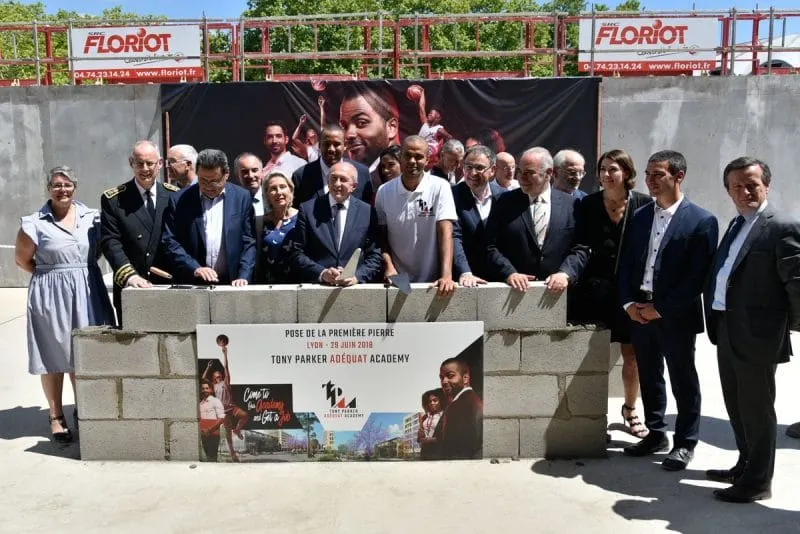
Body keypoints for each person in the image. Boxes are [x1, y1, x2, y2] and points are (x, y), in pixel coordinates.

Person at [703, 157, 800, 503]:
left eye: (751, 185)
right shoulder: (736, 224)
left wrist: (792, 327)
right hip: (727, 327)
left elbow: (797, 282)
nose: (744, 192)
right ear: (728, 191)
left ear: (766, 186)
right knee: (737, 404)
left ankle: (758, 482)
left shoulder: (781, 226)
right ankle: (745, 464)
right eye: (736, 187)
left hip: (758, 334)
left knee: (758, 410)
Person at [618, 150, 718, 471]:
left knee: (682, 378)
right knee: (649, 375)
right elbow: (625, 265)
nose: (650, 180)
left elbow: (696, 279)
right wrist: (629, 304)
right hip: (639, 312)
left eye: (657, 174)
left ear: (678, 176)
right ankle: (655, 432)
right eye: (647, 174)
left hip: (674, 316)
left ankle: (685, 442)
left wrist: (659, 309)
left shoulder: (701, 221)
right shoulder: (640, 216)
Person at [547, 149, 653, 438]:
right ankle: (594, 418)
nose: (606, 175)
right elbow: (579, 245)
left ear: (627, 174)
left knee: (632, 356)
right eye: (603, 169)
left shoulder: (644, 205)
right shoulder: (588, 204)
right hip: (596, 291)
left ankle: (630, 411)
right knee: (594, 356)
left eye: (613, 170)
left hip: (632, 293)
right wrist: (566, 273)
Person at [15, 166, 115, 442]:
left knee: (84, 355)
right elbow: (23, 261)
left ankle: (83, 411)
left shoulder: (92, 217)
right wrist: (54, 275)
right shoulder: (34, 223)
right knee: (53, 356)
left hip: (88, 289)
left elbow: (105, 249)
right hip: (51, 293)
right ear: (49, 189)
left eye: (67, 184)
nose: (62, 189)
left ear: (75, 187)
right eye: (57, 185)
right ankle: (56, 415)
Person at [101, 140, 179, 326]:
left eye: (150, 163)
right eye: (139, 163)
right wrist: (130, 276)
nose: (145, 169)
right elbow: (111, 242)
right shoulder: (114, 199)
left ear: (159, 163)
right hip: (132, 286)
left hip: (167, 284)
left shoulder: (174, 195)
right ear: (131, 163)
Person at [485, 147, 580, 292]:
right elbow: (489, 245)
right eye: (520, 172)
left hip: (558, 295)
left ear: (549, 173)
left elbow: (580, 248)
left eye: (529, 173)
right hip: (514, 293)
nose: (521, 178)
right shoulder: (503, 202)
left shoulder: (572, 205)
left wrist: (565, 273)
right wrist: (509, 273)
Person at [375, 135, 457, 296]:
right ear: (400, 157)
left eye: (418, 156)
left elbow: (446, 232)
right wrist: (389, 267)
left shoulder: (440, 187)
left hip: (433, 281)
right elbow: (380, 238)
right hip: (398, 281)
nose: (412, 161)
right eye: (408, 155)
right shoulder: (384, 192)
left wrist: (446, 275)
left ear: (427, 160)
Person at [161, 149, 256, 286]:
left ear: (226, 174)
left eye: (214, 181)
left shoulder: (242, 198)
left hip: (233, 283)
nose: (208, 186)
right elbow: (170, 241)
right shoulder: (179, 200)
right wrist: (194, 268)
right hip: (193, 283)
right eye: (203, 180)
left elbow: (249, 242)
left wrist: (244, 275)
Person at [291, 161, 382, 285]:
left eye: (343, 179)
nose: (337, 184)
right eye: (333, 178)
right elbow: (297, 253)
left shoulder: (367, 212)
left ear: (353, 186)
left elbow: (374, 255)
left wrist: (356, 277)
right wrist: (322, 273)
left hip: (354, 290)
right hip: (318, 289)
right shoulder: (308, 210)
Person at [452, 145, 504, 284]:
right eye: (468, 167)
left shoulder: (503, 197)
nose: (473, 173)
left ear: (492, 170)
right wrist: (465, 272)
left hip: (498, 279)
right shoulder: (452, 195)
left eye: (479, 168)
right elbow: (454, 237)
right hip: (465, 280)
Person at [292, 125, 373, 207]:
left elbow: (367, 211)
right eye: (326, 144)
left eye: (336, 144)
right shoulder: (301, 176)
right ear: (319, 146)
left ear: (345, 146)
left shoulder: (362, 173)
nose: (331, 149)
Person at [202, 335, 249, 462]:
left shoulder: (226, 382)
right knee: (227, 434)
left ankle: (238, 430)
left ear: (222, 376)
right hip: (224, 411)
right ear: (214, 379)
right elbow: (204, 377)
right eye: (216, 377)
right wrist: (208, 366)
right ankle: (233, 454)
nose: (218, 378)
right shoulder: (214, 386)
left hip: (231, 407)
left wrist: (225, 354)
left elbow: (226, 368)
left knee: (245, 415)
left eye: (219, 376)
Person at [338, 84, 399, 173]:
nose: (348, 135)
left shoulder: (405, 177)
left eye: (361, 123)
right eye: (344, 127)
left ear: (391, 127)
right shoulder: (351, 177)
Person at [435, 358, 482, 459]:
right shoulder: (473, 400)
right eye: (441, 377)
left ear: (465, 378)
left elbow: (449, 449)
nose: (444, 381)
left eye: (450, 376)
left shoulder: (457, 407)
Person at [261, 171, 299, 283]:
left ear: (290, 190)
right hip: (267, 285)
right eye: (273, 188)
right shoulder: (261, 221)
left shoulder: (302, 218)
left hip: (297, 284)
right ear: (267, 194)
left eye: (282, 187)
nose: (279, 192)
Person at [291, 95, 325, 162]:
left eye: (314, 134)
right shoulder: (307, 148)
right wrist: (300, 124)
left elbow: (323, 124)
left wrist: (321, 107)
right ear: (308, 139)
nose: (314, 135)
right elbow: (294, 138)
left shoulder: (322, 142)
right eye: (311, 136)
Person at [198, 379, 225, 462]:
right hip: (203, 434)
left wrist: (209, 430)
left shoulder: (215, 401)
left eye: (207, 388)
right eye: (203, 388)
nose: (205, 390)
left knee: (212, 458)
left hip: (213, 434)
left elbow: (221, 419)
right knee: (205, 458)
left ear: (211, 389)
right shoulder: (200, 404)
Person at [417, 389, 445, 460]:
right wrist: (420, 436)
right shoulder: (425, 417)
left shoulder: (445, 415)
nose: (432, 403)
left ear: (440, 401)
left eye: (435, 400)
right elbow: (419, 438)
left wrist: (428, 440)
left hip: (438, 453)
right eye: (430, 401)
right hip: (424, 453)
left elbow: (446, 437)